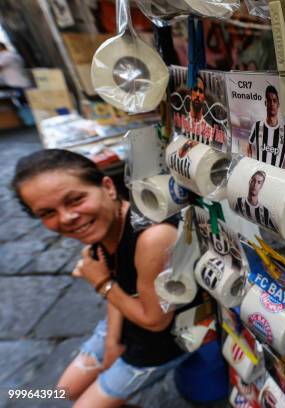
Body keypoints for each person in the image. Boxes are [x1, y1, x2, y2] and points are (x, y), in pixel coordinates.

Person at [11, 149, 188, 407]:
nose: (67, 218)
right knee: (64, 392)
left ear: (108, 187)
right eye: (47, 213)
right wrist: (111, 342)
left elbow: (155, 321)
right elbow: (120, 286)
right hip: (127, 323)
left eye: (75, 200)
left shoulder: (152, 237)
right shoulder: (104, 225)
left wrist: (102, 284)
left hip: (160, 343)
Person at [247, 85, 285, 171]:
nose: (272, 103)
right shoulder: (257, 126)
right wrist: (249, 165)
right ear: (265, 103)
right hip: (258, 174)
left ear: (278, 104)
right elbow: (249, 144)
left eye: (274, 100)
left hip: (274, 180)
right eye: (269, 100)